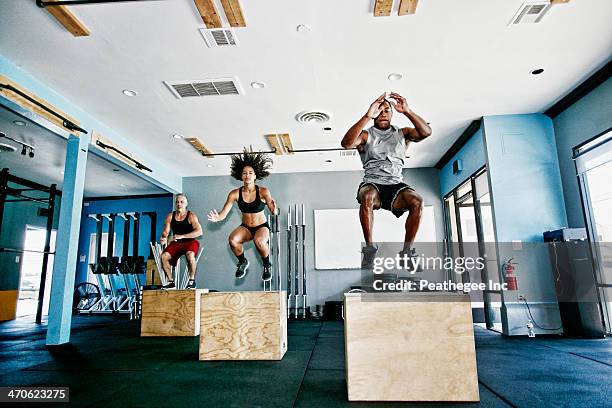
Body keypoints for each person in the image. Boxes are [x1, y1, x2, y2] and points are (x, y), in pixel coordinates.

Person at [341, 92, 432, 269]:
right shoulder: (366, 136)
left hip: (396, 185)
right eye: (379, 110)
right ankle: (369, 249)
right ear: (374, 113)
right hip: (372, 184)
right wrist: (367, 116)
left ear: (392, 113)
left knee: (417, 201)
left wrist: (407, 111)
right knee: (367, 197)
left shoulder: (402, 133)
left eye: (387, 110)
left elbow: (426, 132)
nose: (383, 113)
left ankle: (407, 252)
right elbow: (346, 143)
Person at [207, 150, 277, 281]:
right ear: (241, 176)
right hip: (246, 227)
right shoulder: (234, 193)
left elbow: (272, 208)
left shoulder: (263, 191)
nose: (247, 175)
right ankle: (242, 262)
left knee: (259, 241)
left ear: (255, 176)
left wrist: (274, 209)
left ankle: (267, 265)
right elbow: (223, 213)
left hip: (261, 226)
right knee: (233, 240)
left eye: (250, 173)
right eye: (244, 173)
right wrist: (217, 218)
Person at [159, 194, 203, 289]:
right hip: (177, 243)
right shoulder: (170, 216)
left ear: (186, 204)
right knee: (164, 256)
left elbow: (199, 232)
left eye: (182, 202)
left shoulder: (191, 216)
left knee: (190, 255)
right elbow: (166, 231)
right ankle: (171, 282)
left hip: (190, 242)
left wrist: (183, 236)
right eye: (177, 202)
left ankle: (192, 281)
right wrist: (164, 237)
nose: (179, 204)